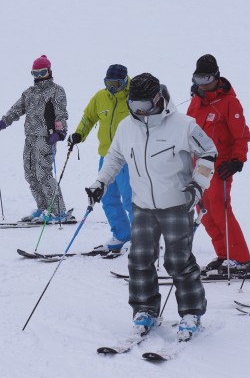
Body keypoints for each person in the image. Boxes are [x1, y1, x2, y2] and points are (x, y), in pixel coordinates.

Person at [85, 73, 217, 342]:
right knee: (139, 259)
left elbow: (208, 153)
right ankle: (145, 310)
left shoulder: (184, 125)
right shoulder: (126, 126)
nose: (139, 112)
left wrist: (197, 186)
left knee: (178, 261)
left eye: (143, 106)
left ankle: (191, 313)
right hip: (143, 205)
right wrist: (101, 182)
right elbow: (115, 157)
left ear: (158, 99)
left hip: (177, 204)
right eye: (134, 106)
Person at [186, 54, 250, 276]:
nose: (203, 84)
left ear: (217, 76)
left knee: (220, 208)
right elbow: (187, 131)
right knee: (203, 210)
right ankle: (224, 254)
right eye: (198, 79)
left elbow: (242, 134)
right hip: (198, 165)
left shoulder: (229, 102)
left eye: (207, 78)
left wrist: (238, 160)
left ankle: (240, 258)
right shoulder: (196, 102)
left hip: (220, 164)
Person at [0, 55, 72, 223]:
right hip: (30, 138)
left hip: (46, 138)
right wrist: (0, 124)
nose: (39, 76)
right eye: (36, 73)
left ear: (49, 71)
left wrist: (60, 132)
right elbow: (16, 110)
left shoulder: (56, 90)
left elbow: (61, 113)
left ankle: (59, 211)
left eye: (42, 72)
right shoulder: (29, 93)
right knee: (30, 174)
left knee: (43, 174)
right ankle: (43, 208)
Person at [68, 64, 133, 251]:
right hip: (106, 156)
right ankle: (121, 235)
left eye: (116, 83)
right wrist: (79, 134)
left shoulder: (133, 97)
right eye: (108, 83)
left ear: (125, 81)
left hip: (129, 159)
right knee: (107, 198)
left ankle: (142, 240)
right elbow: (88, 117)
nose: (112, 87)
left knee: (131, 201)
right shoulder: (100, 97)